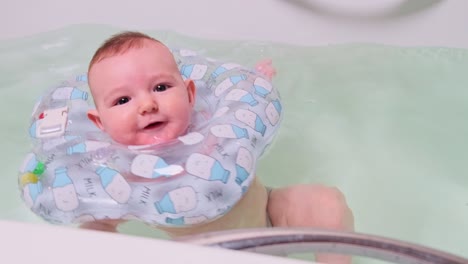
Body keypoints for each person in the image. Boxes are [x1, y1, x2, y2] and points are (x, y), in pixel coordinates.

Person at [85, 31, 354, 263]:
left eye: (161, 86)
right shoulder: (119, 170)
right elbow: (102, 221)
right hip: (204, 252)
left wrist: (257, 83)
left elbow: (243, 113)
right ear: (101, 124)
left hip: (269, 217)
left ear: (190, 95)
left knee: (326, 203)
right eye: (122, 100)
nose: (147, 105)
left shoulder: (207, 122)